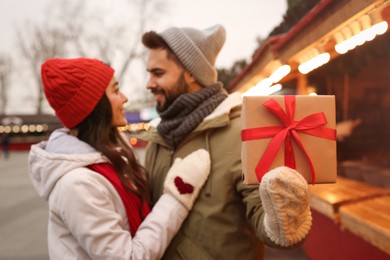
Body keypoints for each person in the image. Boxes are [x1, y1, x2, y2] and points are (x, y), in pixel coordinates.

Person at [140, 24, 312, 259]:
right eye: (149, 73)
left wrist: (283, 217)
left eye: (158, 73)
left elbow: (266, 221)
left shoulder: (243, 132)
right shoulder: (157, 139)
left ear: (191, 73)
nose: (149, 83)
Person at [28, 57, 212, 260]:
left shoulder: (114, 154)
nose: (125, 98)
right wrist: (177, 194)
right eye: (115, 91)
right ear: (95, 106)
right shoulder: (77, 184)